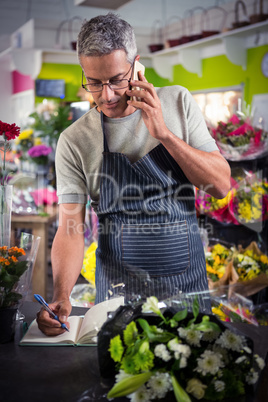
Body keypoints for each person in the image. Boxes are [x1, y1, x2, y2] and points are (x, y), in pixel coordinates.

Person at [37, 13, 231, 335]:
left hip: (187, 288)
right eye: (94, 83)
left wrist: (164, 133)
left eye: (115, 79)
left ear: (136, 66)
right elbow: (71, 227)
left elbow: (220, 185)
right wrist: (61, 295)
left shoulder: (178, 102)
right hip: (117, 296)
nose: (107, 95)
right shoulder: (74, 139)